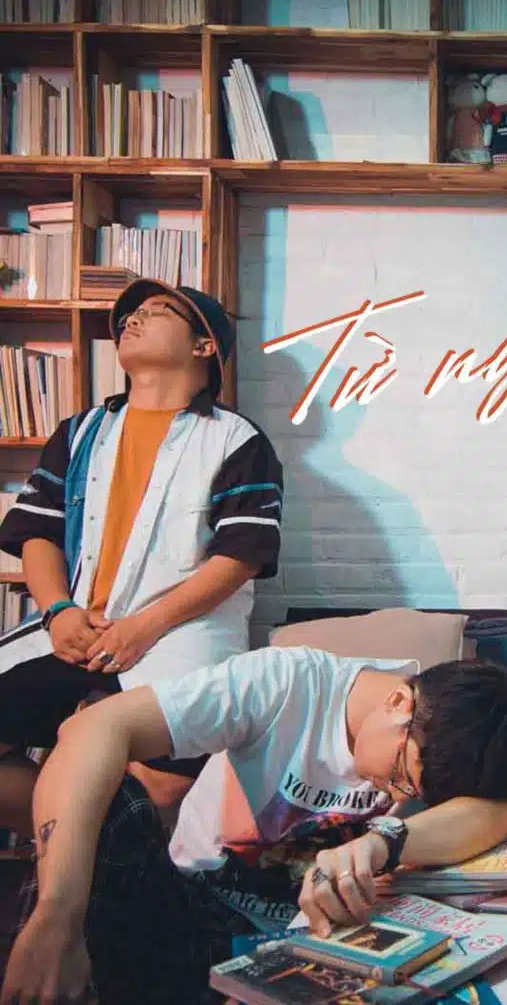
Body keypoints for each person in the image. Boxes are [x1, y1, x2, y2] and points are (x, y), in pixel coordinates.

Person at [0, 648, 507, 1004]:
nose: (396, 797)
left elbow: (505, 811)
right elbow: (95, 727)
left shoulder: (449, 738)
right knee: (119, 804)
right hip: (191, 914)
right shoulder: (287, 684)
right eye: (400, 775)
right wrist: (56, 916)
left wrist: (384, 842)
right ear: (398, 702)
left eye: (411, 795)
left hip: (319, 947)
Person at [0, 278, 284, 835]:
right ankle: (100, 850)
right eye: (129, 314)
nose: (132, 318)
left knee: (162, 789)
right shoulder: (80, 432)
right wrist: (58, 610)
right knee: (96, 790)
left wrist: (145, 627)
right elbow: (38, 532)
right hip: (77, 631)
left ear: (204, 346)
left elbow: (240, 557)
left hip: (179, 637)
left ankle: (90, 855)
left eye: (158, 311)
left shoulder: (237, 440)